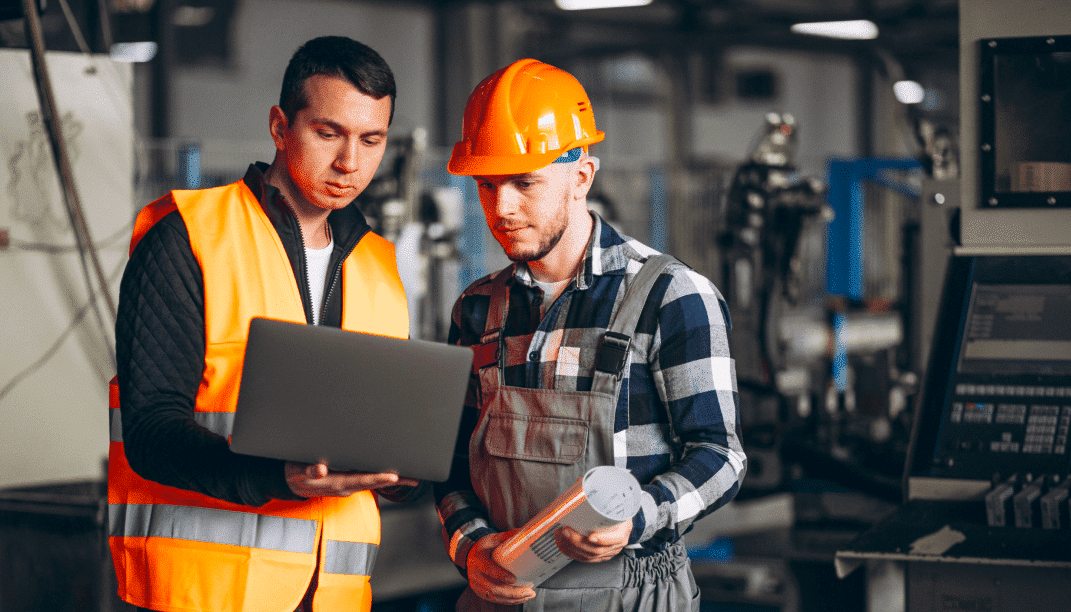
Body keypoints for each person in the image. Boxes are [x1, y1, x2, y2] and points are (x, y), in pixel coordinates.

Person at [109, 36, 424, 612]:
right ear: (280, 127)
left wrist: (403, 470)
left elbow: (379, 426)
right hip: (207, 592)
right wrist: (280, 477)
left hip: (333, 596)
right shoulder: (189, 238)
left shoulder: (379, 263)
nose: (350, 162)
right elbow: (150, 432)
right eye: (328, 133)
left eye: (370, 139)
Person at [433, 58, 747, 611]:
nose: (500, 208)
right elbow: (453, 464)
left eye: (524, 183)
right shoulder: (477, 309)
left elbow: (720, 455)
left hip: (631, 595)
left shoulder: (671, 296)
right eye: (486, 185)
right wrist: (471, 546)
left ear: (582, 177)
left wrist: (639, 516)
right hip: (502, 598)